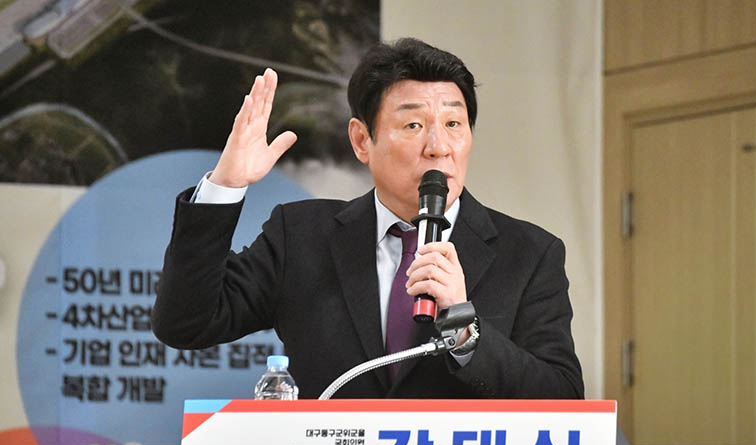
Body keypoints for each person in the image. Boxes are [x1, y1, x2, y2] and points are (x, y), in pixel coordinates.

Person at [152, 38, 583, 400]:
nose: (439, 146)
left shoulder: (529, 254)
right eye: (413, 125)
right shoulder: (300, 236)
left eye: (454, 123)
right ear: (362, 140)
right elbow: (186, 323)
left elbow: (562, 398)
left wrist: (466, 329)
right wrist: (226, 185)